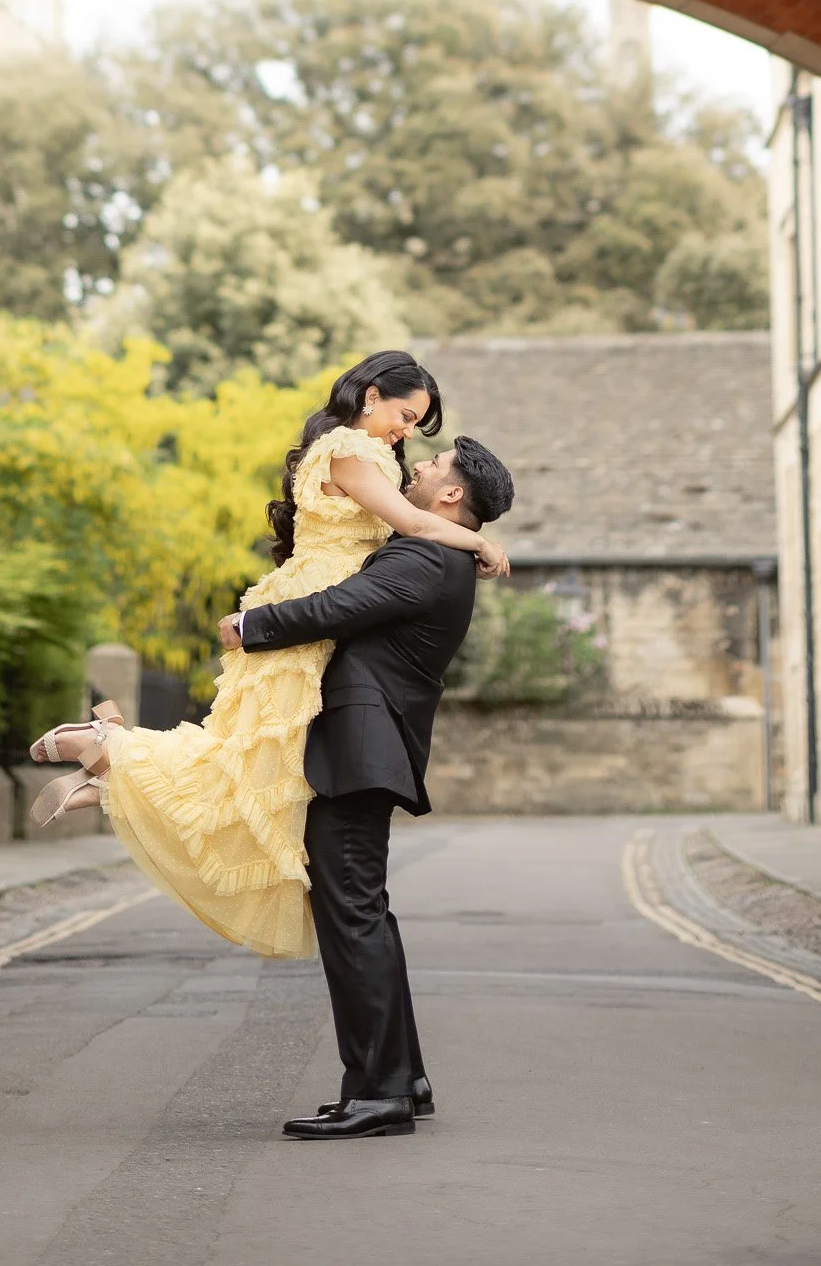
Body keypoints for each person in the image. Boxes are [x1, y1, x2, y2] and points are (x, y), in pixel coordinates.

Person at [25, 351, 508, 962]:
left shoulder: (364, 454)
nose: (408, 432)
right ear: (371, 397)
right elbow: (414, 523)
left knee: (263, 764)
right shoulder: (354, 451)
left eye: (418, 426)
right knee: (255, 763)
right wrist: (478, 541)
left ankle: (114, 770)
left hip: (321, 601)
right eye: (406, 415)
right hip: (312, 604)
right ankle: (110, 752)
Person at [221, 432, 516, 1140]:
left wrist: (249, 623)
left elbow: (337, 606)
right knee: (365, 914)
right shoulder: (438, 550)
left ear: (451, 495)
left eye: (433, 464)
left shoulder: (424, 556)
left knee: (352, 916)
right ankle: (401, 1079)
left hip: (358, 755)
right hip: (365, 754)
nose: (419, 462)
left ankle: (379, 1092)